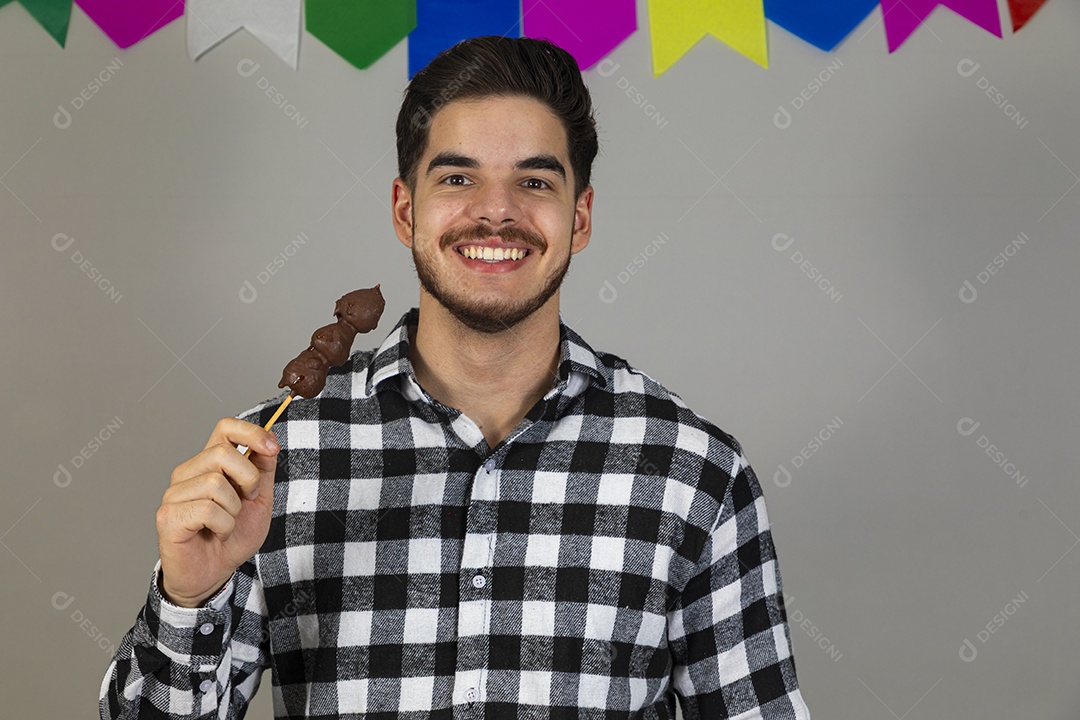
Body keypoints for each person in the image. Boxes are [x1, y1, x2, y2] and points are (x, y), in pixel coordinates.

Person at [100, 36, 810, 719]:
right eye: (458, 178)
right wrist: (189, 598)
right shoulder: (273, 458)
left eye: (534, 181)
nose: (496, 211)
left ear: (580, 218)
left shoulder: (693, 472)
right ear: (405, 210)